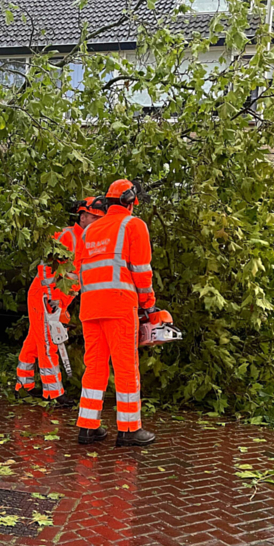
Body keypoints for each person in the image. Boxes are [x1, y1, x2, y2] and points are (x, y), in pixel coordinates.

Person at [74, 179, 156, 447]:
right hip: (119, 305)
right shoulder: (133, 225)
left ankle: (88, 427)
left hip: (90, 307)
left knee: (95, 367)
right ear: (130, 200)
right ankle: (130, 429)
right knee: (125, 367)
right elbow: (141, 271)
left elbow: (79, 271)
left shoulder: (88, 232)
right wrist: (149, 305)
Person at [15, 197, 107, 404]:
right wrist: (51, 300)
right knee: (49, 342)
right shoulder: (66, 235)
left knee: (35, 339)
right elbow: (48, 269)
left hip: (57, 298)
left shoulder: (91, 240)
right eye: (94, 218)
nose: (97, 222)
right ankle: (54, 393)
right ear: (82, 217)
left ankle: (23, 385)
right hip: (46, 296)